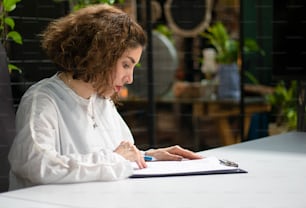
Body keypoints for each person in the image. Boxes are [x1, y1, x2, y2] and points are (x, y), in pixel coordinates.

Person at [8, 4, 202, 190]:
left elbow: (117, 157)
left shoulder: (102, 101)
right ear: (100, 55)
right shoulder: (42, 99)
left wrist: (149, 156)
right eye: (126, 65)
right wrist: (115, 159)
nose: (130, 78)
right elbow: (35, 164)